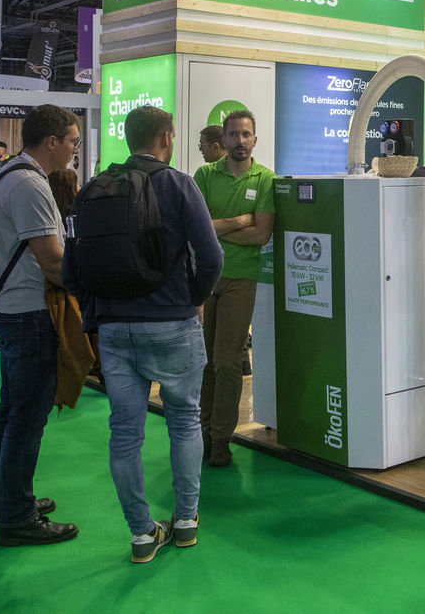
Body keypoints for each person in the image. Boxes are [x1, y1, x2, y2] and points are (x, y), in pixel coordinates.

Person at [68, 106, 223, 563]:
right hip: (173, 322)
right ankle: (186, 521)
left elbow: (72, 268)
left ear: (127, 136)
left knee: (124, 434)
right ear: (167, 137)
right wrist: (193, 298)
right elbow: (211, 257)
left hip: (114, 327)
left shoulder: (92, 189)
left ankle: (141, 534)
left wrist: (99, 310)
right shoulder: (179, 184)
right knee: (184, 422)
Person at [0, 104, 81, 546]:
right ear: (52, 141)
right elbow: (52, 262)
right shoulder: (29, 185)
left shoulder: (9, 175)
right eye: (73, 141)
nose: (75, 150)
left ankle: (3, 501)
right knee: (26, 417)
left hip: (11, 307)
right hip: (29, 312)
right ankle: (17, 518)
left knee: (11, 410)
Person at [193, 110, 274, 468]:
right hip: (205, 277)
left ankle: (220, 438)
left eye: (246, 134)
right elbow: (197, 226)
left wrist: (218, 228)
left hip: (241, 278)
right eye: (233, 134)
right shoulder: (205, 175)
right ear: (222, 139)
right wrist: (239, 221)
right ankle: (202, 432)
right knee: (204, 361)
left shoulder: (266, 179)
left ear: (254, 139)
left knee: (226, 362)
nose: (239, 141)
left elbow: (261, 234)